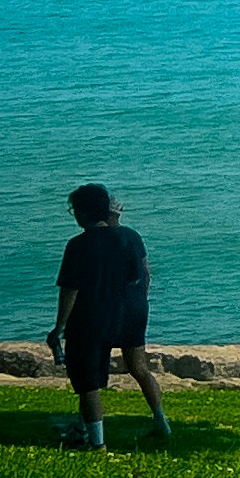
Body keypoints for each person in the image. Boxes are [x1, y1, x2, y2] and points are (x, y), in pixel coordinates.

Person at [45, 184, 166, 449]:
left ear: (83, 212)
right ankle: (161, 421)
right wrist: (139, 302)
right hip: (132, 313)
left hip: (93, 318)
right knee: (139, 368)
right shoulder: (130, 237)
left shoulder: (78, 245)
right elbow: (144, 274)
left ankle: (97, 443)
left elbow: (70, 290)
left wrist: (59, 326)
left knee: (88, 381)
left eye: (74, 209)